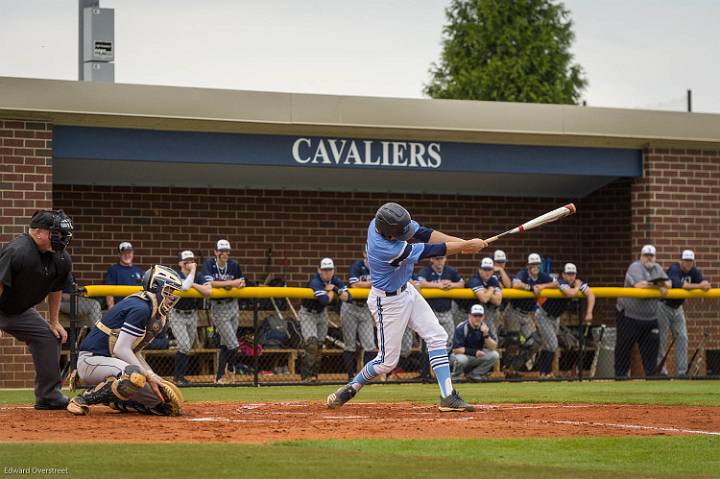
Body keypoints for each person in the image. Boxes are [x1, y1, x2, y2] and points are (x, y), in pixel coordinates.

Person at [327, 202, 486, 412]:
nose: (407, 234)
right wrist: (466, 246)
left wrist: (465, 243)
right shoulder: (388, 249)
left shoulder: (379, 223)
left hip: (407, 290)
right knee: (387, 362)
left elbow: (425, 233)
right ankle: (352, 386)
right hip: (388, 302)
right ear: (390, 235)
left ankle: (448, 396)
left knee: (437, 335)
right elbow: (433, 249)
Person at [67, 265, 184, 416]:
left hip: (112, 364)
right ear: (155, 287)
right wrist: (149, 375)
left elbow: (134, 353)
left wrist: (154, 377)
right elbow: (121, 349)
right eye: (168, 291)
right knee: (134, 375)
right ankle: (82, 399)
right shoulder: (141, 308)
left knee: (160, 402)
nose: (172, 296)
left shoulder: (156, 313)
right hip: (91, 360)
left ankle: (114, 398)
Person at [0, 210, 73, 410]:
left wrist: (54, 321)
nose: (62, 238)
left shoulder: (61, 258)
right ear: (39, 232)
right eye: (56, 233)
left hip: (20, 311)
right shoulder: (17, 251)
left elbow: (56, 289)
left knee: (49, 337)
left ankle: (48, 396)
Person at [615, 244, 670, 378]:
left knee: (652, 349)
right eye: (646, 255)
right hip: (629, 315)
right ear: (641, 256)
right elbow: (639, 286)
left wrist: (655, 284)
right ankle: (621, 376)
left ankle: (651, 376)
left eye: (651, 256)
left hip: (650, 317)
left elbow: (669, 284)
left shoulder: (657, 268)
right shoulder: (635, 267)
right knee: (624, 347)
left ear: (655, 257)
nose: (649, 258)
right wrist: (657, 285)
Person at [534, 263, 595, 377]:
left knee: (549, 345)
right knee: (552, 344)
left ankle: (544, 373)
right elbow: (570, 293)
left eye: (573, 274)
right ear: (564, 275)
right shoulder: (562, 282)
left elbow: (591, 295)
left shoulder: (576, 283)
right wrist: (577, 287)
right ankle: (545, 373)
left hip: (555, 317)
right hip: (543, 315)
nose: (571, 277)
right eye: (568, 274)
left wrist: (589, 312)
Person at [658, 249, 710, 377]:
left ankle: (682, 372)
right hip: (664, 306)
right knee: (662, 339)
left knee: (683, 338)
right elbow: (677, 285)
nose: (687, 263)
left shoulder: (694, 271)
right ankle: (661, 372)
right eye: (685, 260)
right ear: (680, 260)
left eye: (690, 261)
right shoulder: (674, 269)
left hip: (678, 308)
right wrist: (699, 286)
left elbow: (704, 283)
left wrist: (703, 284)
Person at [200, 239, 245, 384]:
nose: (224, 254)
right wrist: (232, 283)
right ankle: (230, 370)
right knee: (234, 344)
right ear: (215, 252)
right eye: (221, 251)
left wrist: (239, 283)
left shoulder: (233, 265)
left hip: (233, 305)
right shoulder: (209, 264)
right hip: (218, 307)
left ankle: (220, 377)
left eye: (227, 251)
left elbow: (242, 281)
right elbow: (209, 283)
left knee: (226, 343)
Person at [299, 258, 351, 382]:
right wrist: (334, 291)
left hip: (322, 314)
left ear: (333, 270)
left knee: (319, 345)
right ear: (319, 270)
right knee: (312, 343)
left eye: (329, 269)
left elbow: (348, 297)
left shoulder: (335, 281)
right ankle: (306, 376)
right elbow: (325, 300)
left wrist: (334, 289)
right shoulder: (315, 281)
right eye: (324, 270)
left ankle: (314, 376)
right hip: (308, 313)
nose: (327, 272)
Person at [170, 250, 212, 386]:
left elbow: (208, 291)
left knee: (186, 347)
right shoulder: (176, 274)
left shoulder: (198, 276)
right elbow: (184, 286)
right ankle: (178, 376)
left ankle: (180, 377)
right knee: (184, 345)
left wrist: (194, 283)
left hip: (192, 314)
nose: (189, 263)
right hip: (177, 314)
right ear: (180, 263)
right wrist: (192, 274)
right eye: (186, 261)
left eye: (191, 260)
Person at [341, 249, 376, 380]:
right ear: (364, 253)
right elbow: (354, 284)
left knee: (369, 344)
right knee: (349, 344)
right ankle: (350, 376)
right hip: (350, 307)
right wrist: (371, 284)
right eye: (368, 253)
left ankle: (366, 377)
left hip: (365, 308)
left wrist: (366, 285)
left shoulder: (378, 267)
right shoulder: (357, 266)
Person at [417, 255, 464, 347]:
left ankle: (446, 359)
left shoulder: (450, 271)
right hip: (431, 312)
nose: (439, 261)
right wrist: (438, 285)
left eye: (441, 258)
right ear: (431, 259)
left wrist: (452, 284)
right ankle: (428, 360)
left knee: (449, 340)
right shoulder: (426, 270)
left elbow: (462, 283)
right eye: (436, 259)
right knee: (430, 340)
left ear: (445, 259)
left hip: (447, 312)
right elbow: (421, 282)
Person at [508, 253, 557, 341]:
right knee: (513, 341)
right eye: (533, 265)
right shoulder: (523, 274)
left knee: (533, 342)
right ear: (528, 266)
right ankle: (512, 354)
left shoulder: (541, 275)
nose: (535, 267)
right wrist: (530, 288)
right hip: (514, 311)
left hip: (528, 314)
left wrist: (543, 286)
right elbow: (515, 284)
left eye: (537, 265)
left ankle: (524, 355)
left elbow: (556, 283)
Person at [450, 304, 499, 381]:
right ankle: (455, 377)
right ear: (470, 316)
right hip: (460, 355)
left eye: (480, 316)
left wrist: (486, 335)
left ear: (483, 317)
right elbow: (456, 349)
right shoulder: (462, 327)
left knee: (494, 355)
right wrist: (474, 352)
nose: (477, 318)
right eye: (475, 315)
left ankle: (475, 375)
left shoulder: (485, 327)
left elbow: (493, 347)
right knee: (462, 359)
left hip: (476, 355)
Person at [466, 257, 503, 336]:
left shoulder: (493, 280)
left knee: (486, 334)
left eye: (489, 269)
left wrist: (486, 292)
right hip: (462, 311)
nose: (487, 272)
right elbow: (484, 299)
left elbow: (498, 301)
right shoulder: (475, 279)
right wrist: (491, 289)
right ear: (480, 270)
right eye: (485, 269)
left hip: (479, 312)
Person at [105, 242, 144, 310]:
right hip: (120, 307)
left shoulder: (138, 270)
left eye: (129, 253)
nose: (127, 255)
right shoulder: (113, 270)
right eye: (124, 253)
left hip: (136, 306)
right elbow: (109, 292)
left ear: (132, 254)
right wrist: (111, 308)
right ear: (119, 255)